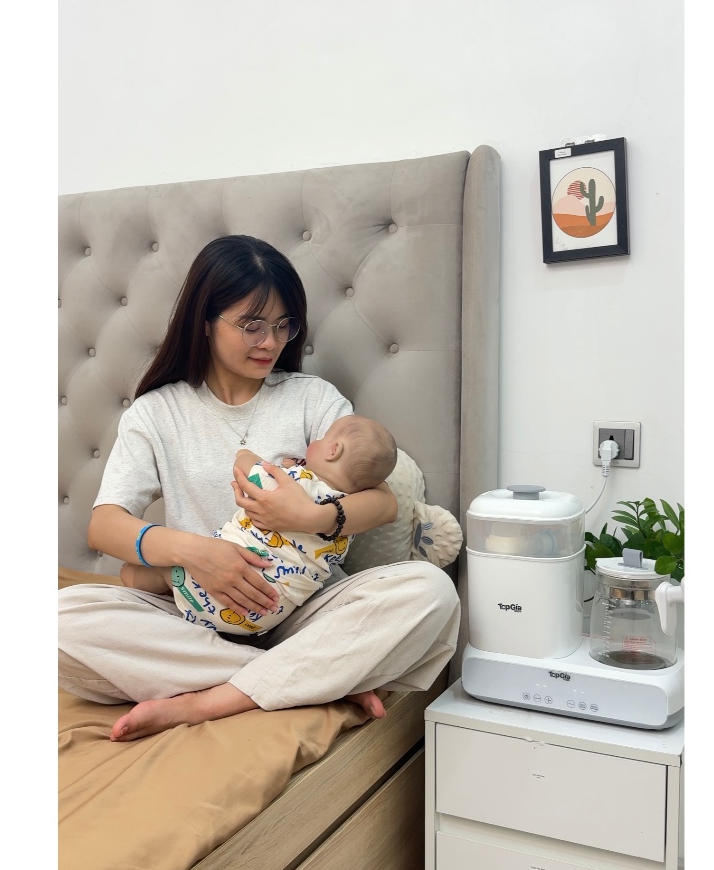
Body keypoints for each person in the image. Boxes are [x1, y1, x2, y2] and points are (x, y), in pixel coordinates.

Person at [57, 235, 460, 743]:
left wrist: (310, 517)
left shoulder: (312, 399)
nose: (270, 342)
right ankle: (313, 676)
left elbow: (383, 503)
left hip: (304, 613)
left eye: (283, 325)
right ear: (205, 321)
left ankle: (208, 700)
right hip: (199, 614)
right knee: (62, 622)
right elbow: (104, 524)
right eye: (252, 325)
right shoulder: (157, 413)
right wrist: (198, 553)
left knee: (430, 593)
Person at [121, 414, 398, 636]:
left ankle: (170, 593)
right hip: (269, 614)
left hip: (214, 587)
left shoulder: (292, 482)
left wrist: (245, 454)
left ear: (333, 450)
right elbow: (381, 501)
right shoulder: (349, 515)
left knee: (135, 573)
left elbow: (251, 470)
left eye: (322, 438)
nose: (316, 440)